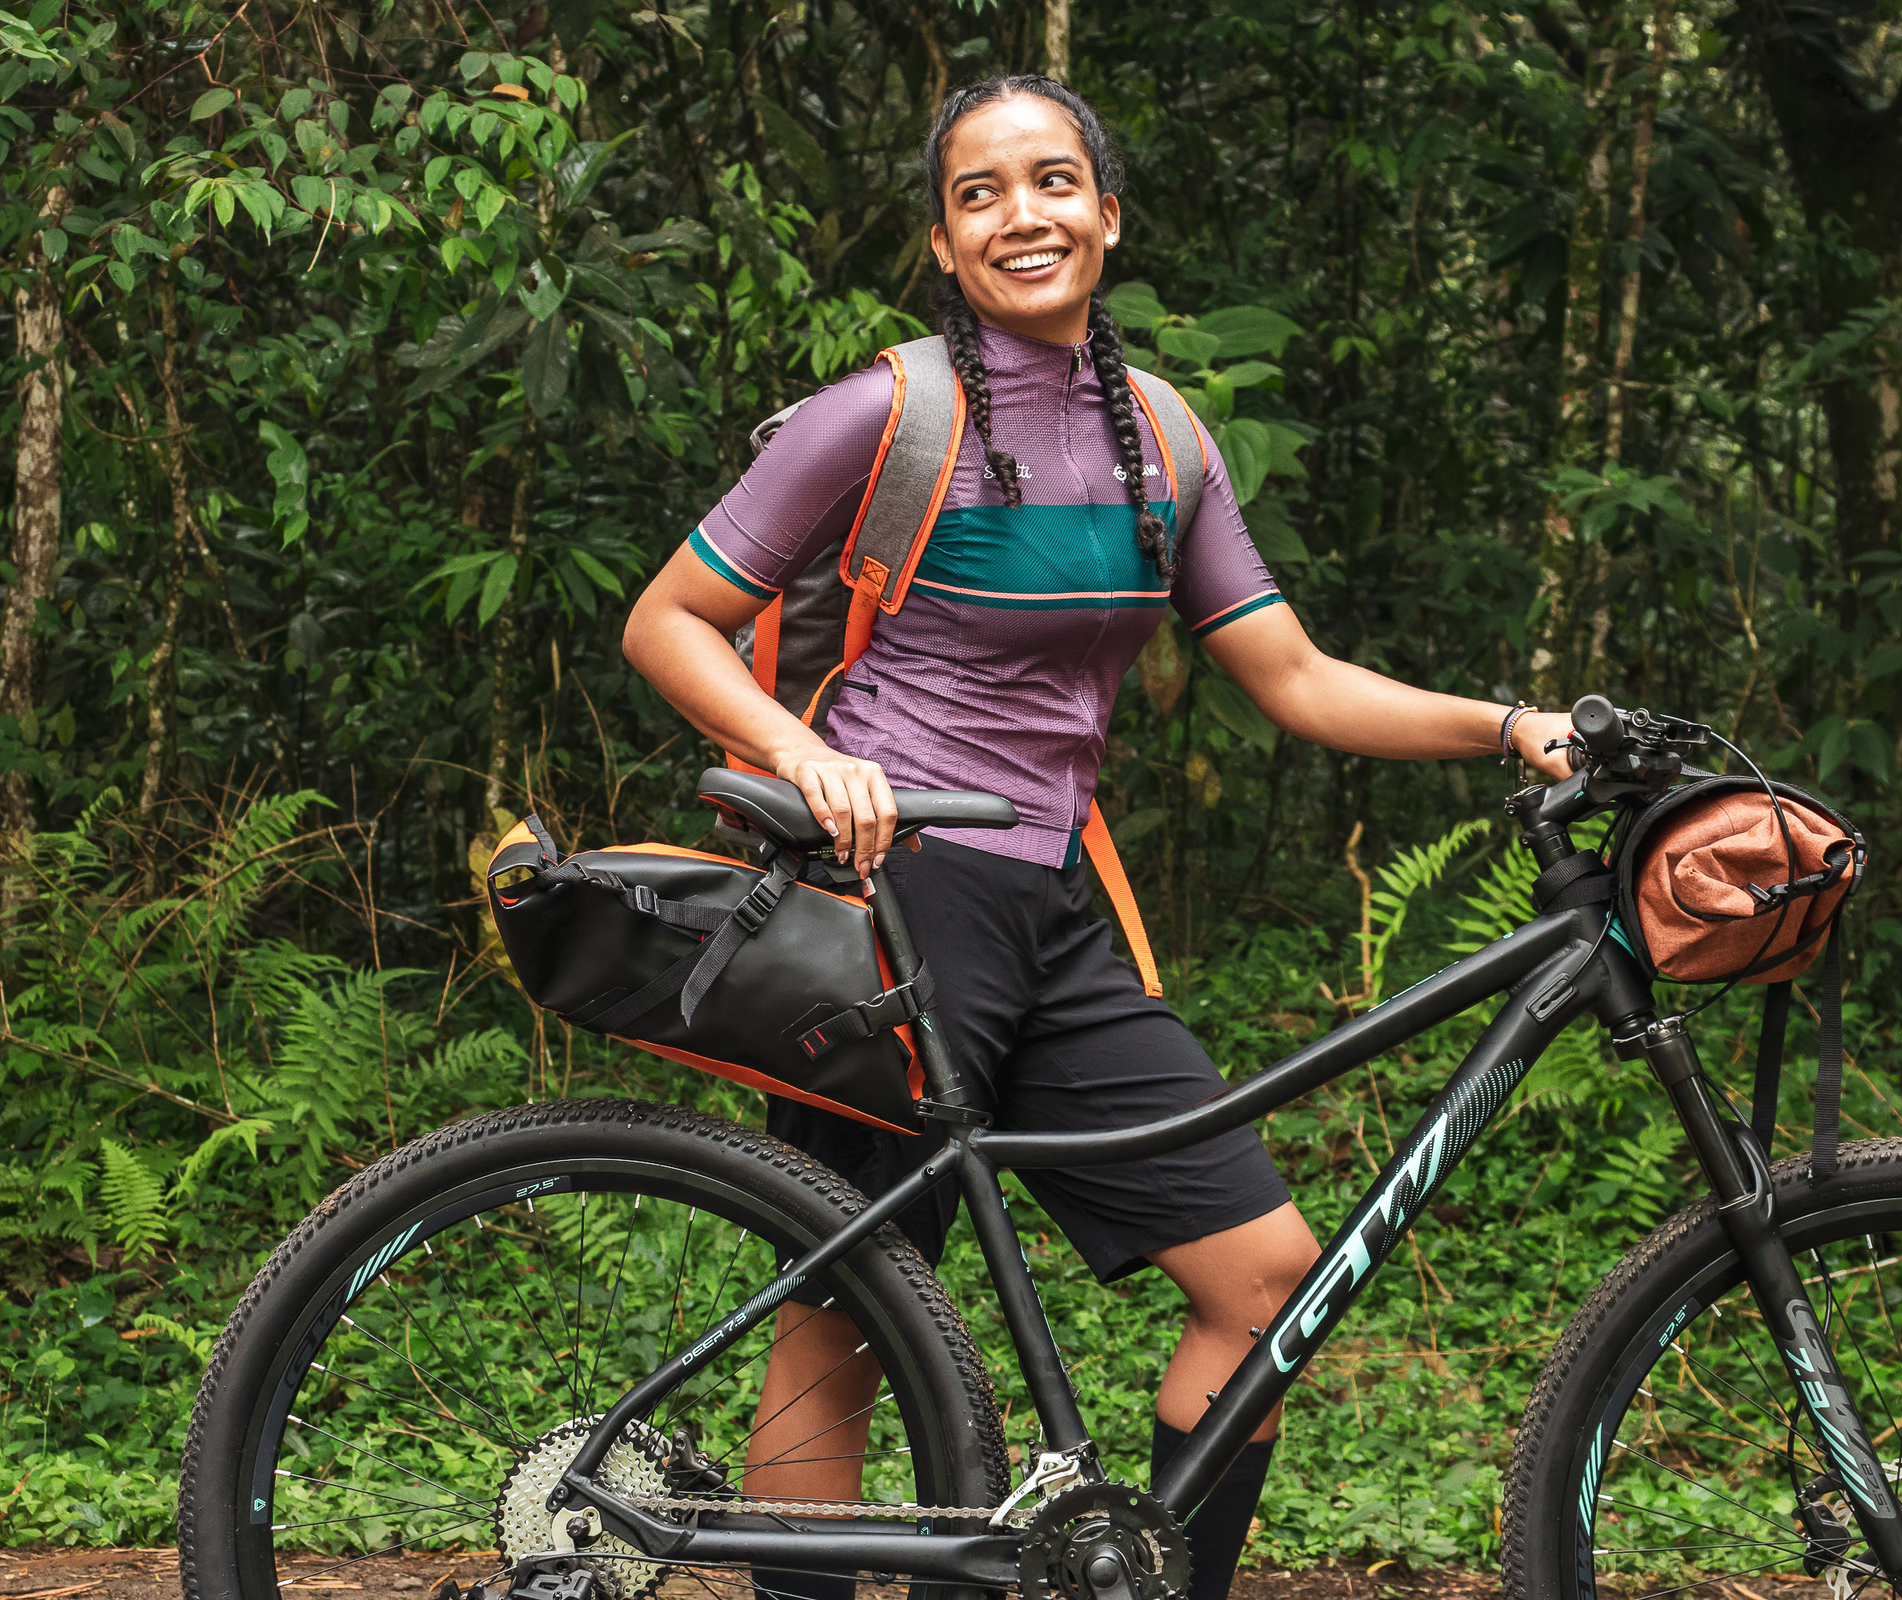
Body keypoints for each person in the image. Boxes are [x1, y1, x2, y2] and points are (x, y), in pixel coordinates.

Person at [621, 73, 1577, 1600]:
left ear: (1108, 215)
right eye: (980, 193)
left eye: (1053, 181)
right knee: (849, 1321)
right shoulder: (882, 413)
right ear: (944, 243)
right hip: (893, 893)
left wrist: (1511, 724)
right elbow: (670, 620)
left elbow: (1294, 677)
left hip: (1052, 904)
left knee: (1263, 1281)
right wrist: (806, 759)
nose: (1023, 215)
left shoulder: (1163, 437)